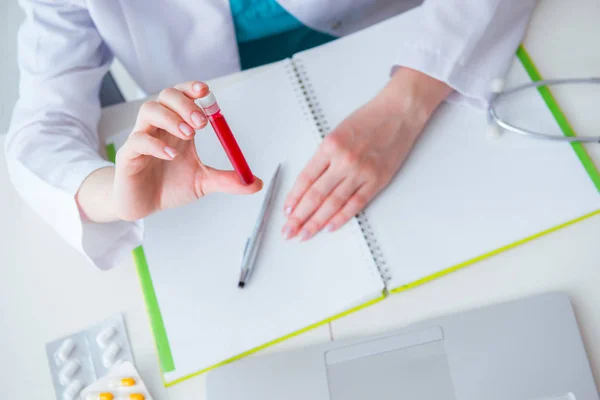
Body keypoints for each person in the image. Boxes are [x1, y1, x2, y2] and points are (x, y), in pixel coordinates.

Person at [5, 0, 537, 269]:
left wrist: (407, 102)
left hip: (424, 51)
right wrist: (111, 193)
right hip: (238, 134)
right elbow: (40, 127)